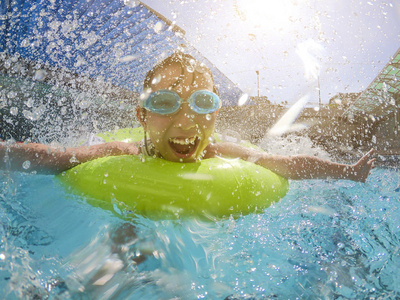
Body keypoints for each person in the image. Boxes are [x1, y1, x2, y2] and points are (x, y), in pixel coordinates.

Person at [0, 52, 375, 182]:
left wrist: (346, 171)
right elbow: (58, 158)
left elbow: (285, 163)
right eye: (164, 104)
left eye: (202, 102)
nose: (185, 122)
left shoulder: (220, 152)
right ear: (142, 116)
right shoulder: (126, 151)